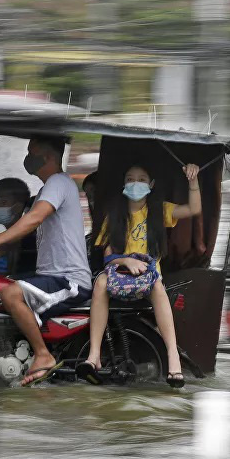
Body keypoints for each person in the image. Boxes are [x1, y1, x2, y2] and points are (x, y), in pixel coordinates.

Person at [0, 138, 92, 386]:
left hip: (69, 279)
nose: (28, 157)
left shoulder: (59, 182)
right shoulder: (46, 190)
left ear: (49, 156)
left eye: (32, 152)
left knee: (10, 294)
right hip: (51, 277)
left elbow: (34, 219)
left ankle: (43, 355)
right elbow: (14, 241)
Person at [76, 163, 201, 388]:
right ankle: (93, 355)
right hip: (119, 276)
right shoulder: (113, 215)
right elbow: (107, 258)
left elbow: (193, 209)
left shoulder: (160, 211)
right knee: (100, 283)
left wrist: (193, 180)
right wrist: (126, 260)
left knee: (158, 287)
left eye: (142, 179)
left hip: (149, 277)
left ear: (151, 185)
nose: (136, 184)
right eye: (131, 179)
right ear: (124, 184)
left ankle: (173, 356)